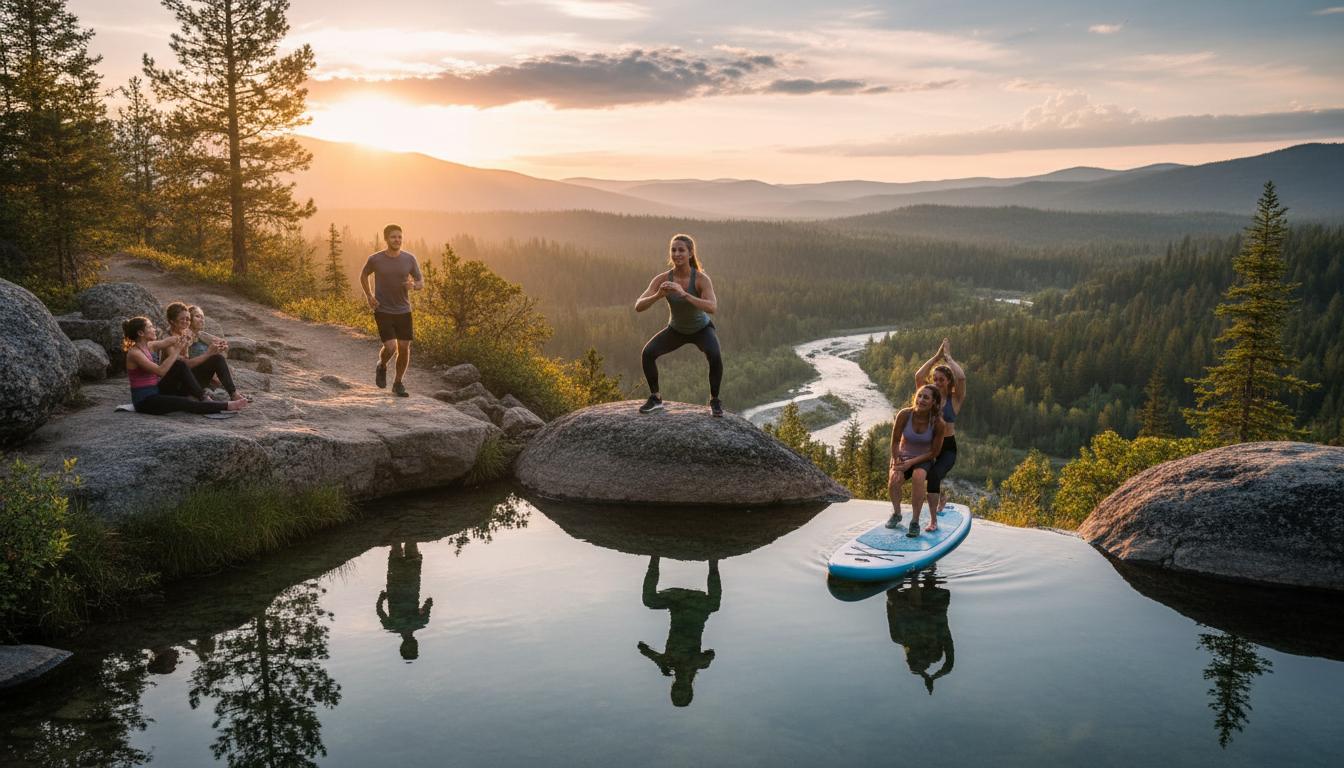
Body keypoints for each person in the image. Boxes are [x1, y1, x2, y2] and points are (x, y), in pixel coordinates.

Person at [634, 233, 723, 417]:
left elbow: (712, 307)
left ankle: (714, 401)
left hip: (702, 330)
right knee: (648, 353)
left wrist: (685, 295)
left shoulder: (700, 279)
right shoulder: (662, 278)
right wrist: (658, 295)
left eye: (681, 250)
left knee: (714, 355)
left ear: (690, 254)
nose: (676, 254)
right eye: (673, 250)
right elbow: (638, 306)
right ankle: (656, 398)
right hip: (676, 329)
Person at [637, 557, 721, 707]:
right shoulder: (698, 664)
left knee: (649, 600)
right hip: (696, 606)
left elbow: (641, 648)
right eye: (683, 689)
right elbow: (711, 654)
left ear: (673, 686)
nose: (679, 687)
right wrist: (692, 662)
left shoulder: (668, 662)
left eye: (676, 689)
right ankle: (713, 562)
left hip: (678, 603)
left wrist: (659, 662)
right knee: (714, 605)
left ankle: (655, 557)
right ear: (689, 688)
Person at [123, 316, 246, 415]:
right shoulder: (134, 354)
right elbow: (160, 371)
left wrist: (184, 338)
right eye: (150, 327)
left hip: (158, 390)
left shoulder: (149, 345)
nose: (154, 329)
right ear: (140, 333)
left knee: (179, 365)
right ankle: (227, 406)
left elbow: (168, 341)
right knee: (184, 402)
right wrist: (177, 350)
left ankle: (204, 397)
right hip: (145, 401)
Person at [360, 224, 423, 397]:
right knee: (390, 347)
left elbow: (420, 281)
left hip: (403, 310)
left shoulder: (409, 259)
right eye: (394, 237)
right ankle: (382, 365)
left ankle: (398, 383)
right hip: (383, 309)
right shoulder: (375, 259)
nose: (397, 240)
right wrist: (369, 296)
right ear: (386, 239)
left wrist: (414, 285)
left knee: (404, 347)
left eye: (400, 237)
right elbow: (363, 275)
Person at [915, 338, 967, 516]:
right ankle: (940, 498)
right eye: (935, 379)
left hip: (947, 447)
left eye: (941, 379)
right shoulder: (930, 397)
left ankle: (933, 518)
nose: (937, 382)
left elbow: (961, 377)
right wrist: (936, 357)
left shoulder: (955, 399)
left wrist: (949, 358)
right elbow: (919, 377)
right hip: (929, 445)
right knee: (921, 475)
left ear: (948, 381)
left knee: (934, 475)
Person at [886, 384, 946, 535]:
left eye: (926, 397)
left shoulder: (938, 423)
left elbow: (934, 452)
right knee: (894, 478)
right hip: (902, 455)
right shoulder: (904, 414)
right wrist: (897, 460)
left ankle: (915, 522)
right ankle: (897, 514)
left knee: (918, 477)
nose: (921, 400)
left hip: (923, 458)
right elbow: (894, 441)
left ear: (934, 402)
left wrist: (911, 463)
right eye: (919, 395)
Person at [886, 570, 954, 694]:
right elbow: (949, 665)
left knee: (909, 605)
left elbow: (949, 665)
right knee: (914, 607)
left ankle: (912, 576)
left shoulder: (899, 637)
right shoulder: (937, 637)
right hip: (929, 601)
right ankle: (919, 575)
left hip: (915, 601)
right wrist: (928, 676)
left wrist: (929, 675)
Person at [164, 302, 245, 402]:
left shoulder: (185, 335)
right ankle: (202, 397)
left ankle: (233, 393)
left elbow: (187, 361)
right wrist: (208, 354)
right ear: (172, 321)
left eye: (187, 319)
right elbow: (183, 366)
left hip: (186, 380)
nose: (186, 322)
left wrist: (215, 350)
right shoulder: (167, 339)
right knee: (182, 364)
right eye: (182, 319)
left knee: (217, 358)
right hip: (173, 384)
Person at [376, 541, 433, 661]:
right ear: (401, 646)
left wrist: (427, 604)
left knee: (411, 543)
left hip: (412, 581)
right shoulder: (390, 626)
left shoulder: (420, 622)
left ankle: (407, 527)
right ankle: (396, 529)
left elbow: (429, 602)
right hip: (394, 583)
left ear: (416, 644)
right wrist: (382, 597)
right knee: (396, 546)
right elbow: (380, 610)